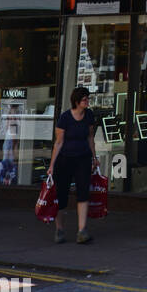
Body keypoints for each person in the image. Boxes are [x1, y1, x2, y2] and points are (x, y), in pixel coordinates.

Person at [46, 86, 98, 245]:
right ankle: (59, 229)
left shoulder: (89, 115)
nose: (87, 101)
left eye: (88, 99)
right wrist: (52, 165)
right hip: (65, 160)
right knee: (61, 195)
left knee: (83, 193)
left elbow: (90, 137)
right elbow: (59, 142)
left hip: (83, 159)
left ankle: (82, 230)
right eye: (84, 99)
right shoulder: (65, 118)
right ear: (77, 101)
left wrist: (94, 157)